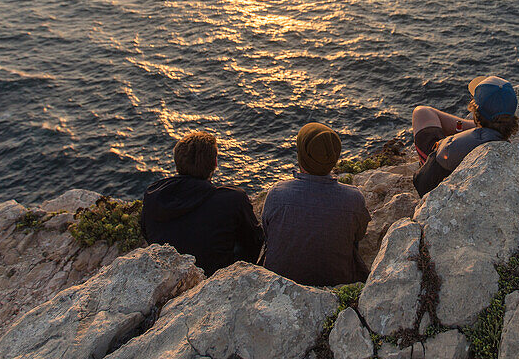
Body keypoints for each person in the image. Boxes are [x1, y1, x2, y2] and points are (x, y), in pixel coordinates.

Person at [140, 130, 264, 277]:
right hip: (216, 279)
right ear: (215, 163)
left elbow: (147, 233)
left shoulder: (153, 195)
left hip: (166, 277)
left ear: (177, 162)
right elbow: (255, 242)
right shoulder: (232, 199)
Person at [261, 123, 371, 287]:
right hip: (337, 282)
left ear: (301, 156)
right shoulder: (354, 198)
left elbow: (267, 233)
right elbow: (359, 235)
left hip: (280, 285)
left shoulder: (277, 194)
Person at [411, 75, 519, 197]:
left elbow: (424, 178)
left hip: (434, 183)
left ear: (475, 112)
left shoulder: (451, 144)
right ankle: (489, 125)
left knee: (422, 112)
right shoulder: (510, 150)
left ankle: (483, 125)